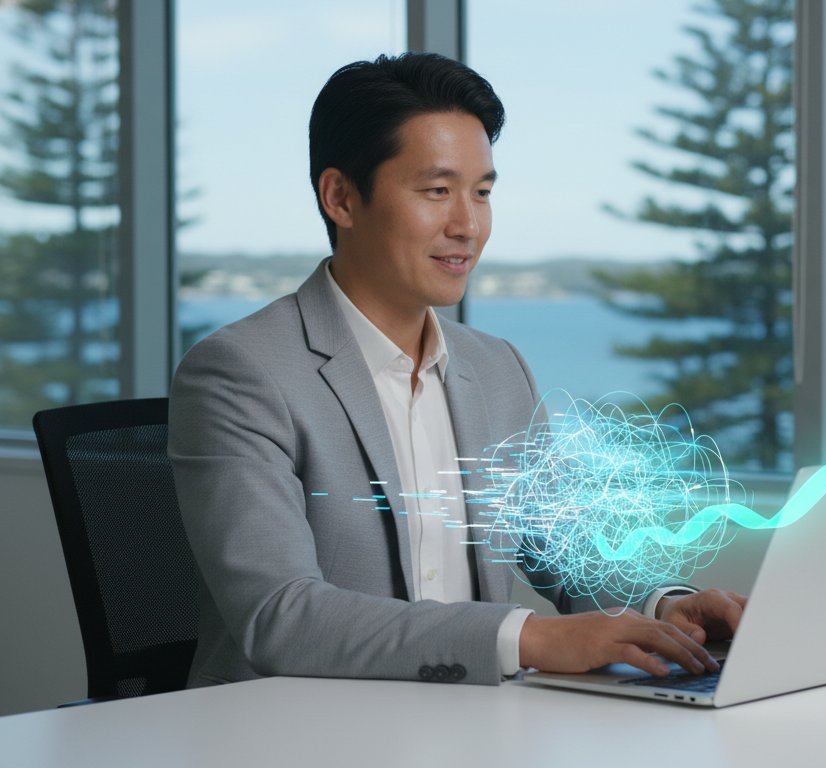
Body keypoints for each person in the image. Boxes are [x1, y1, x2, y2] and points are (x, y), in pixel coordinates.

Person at [168, 52, 746, 688]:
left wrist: (662, 609)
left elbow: (564, 558)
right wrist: (527, 637)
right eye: (437, 191)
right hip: (301, 732)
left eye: (482, 192)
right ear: (341, 198)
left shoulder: (497, 369)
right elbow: (282, 616)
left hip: (476, 724)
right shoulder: (241, 373)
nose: (467, 225)